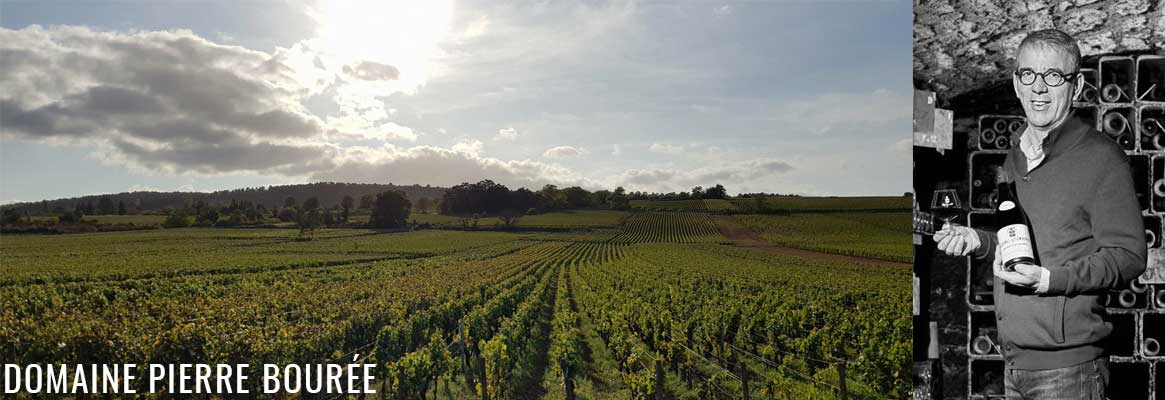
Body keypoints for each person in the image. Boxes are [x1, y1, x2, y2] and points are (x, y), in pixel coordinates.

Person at [933, 29, 1146, 399]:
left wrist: (1050, 280)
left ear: (1076, 87)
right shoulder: (1016, 156)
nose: (1039, 88)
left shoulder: (1101, 158)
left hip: (1069, 371)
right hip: (1014, 364)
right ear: (1016, 83)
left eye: (1053, 76)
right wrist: (979, 241)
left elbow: (1129, 257)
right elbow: (1032, 242)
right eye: (1028, 74)